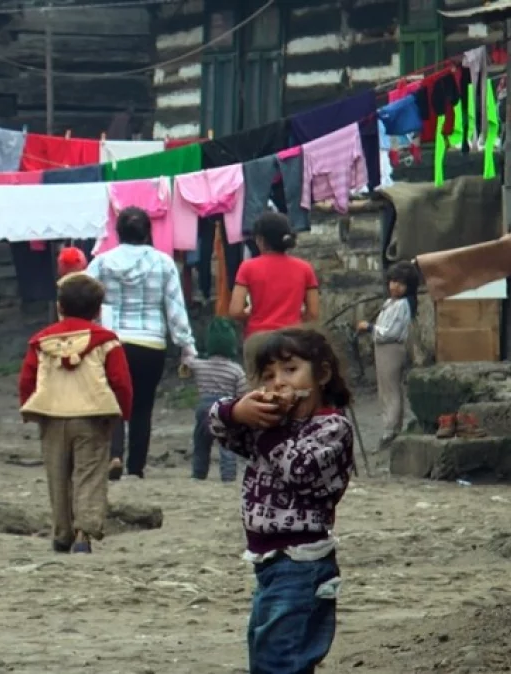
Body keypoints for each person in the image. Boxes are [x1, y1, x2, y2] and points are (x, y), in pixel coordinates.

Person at [207, 328, 355, 674]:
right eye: (270, 375)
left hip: (303, 563)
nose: (278, 383)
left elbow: (301, 471)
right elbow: (218, 428)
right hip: (269, 561)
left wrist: (272, 431)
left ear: (321, 374)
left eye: (290, 371)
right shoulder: (269, 428)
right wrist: (238, 412)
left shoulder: (331, 428)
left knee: (282, 660)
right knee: (264, 652)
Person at [19, 273, 134, 553]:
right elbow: (120, 380)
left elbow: (27, 378)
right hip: (93, 417)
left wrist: (28, 407)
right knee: (90, 475)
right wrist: (122, 412)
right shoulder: (106, 341)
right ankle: (84, 532)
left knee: (57, 475)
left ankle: (62, 532)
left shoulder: (41, 341)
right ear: (97, 310)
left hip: (52, 415)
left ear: (60, 306)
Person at [86, 206, 196, 481]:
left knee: (112, 401)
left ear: (118, 232)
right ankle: (136, 467)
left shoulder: (100, 262)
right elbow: (175, 309)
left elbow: (81, 295)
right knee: (142, 406)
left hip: (111, 343)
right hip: (151, 345)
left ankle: (114, 455)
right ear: (148, 231)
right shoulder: (164, 263)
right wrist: (186, 346)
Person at [228, 213, 321, 374]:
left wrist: (252, 315)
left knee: (259, 391)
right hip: (293, 338)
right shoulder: (305, 268)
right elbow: (313, 313)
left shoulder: (248, 267)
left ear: (261, 240)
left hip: (258, 339)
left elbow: (235, 310)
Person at [357, 261, 419, 445]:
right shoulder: (391, 302)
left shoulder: (402, 305)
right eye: (392, 281)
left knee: (390, 389)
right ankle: (391, 426)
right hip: (383, 348)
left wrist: (369, 327)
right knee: (386, 388)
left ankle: (391, 429)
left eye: (400, 283)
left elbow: (389, 332)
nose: (395, 286)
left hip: (391, 348)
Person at [182, 317, 247, 482]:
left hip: (203, 410)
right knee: (228, 445)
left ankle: (198, 473)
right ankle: (228, 475)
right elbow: (242, 394)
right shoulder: (236, 370)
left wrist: (189, 352)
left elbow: (187, 363)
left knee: (201, 444)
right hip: (226, 410)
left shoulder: (200, 366)